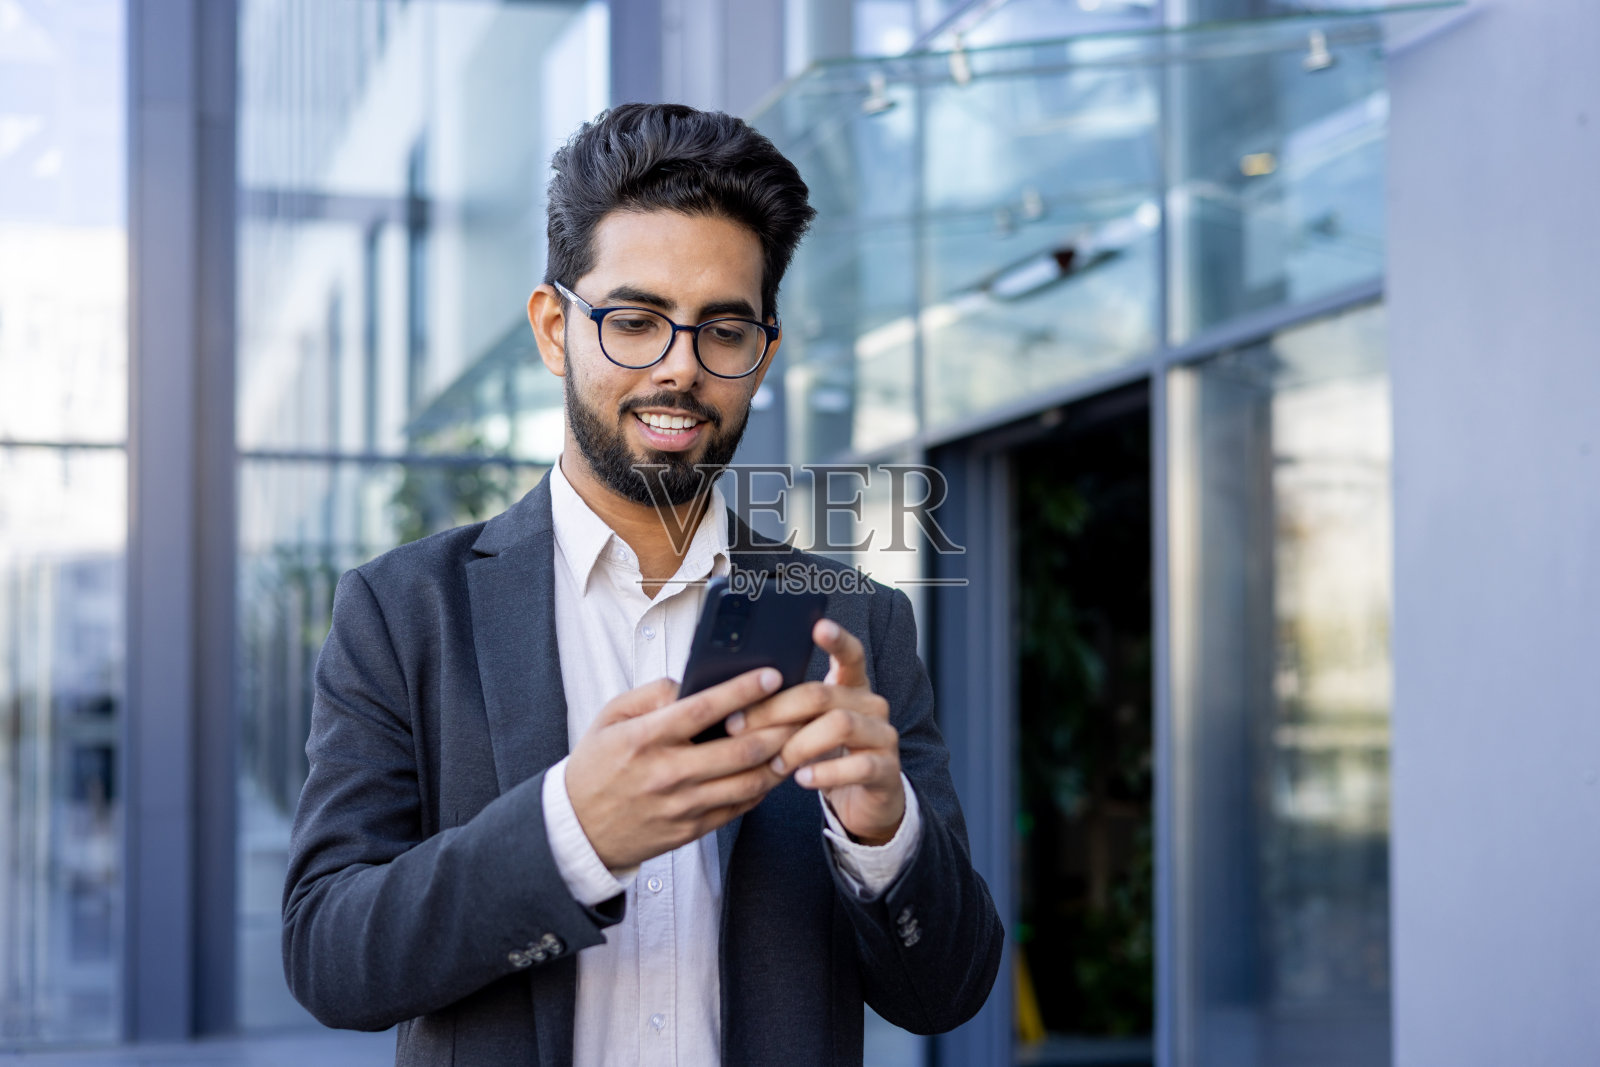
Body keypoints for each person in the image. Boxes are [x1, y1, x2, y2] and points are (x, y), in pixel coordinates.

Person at [282, 102, 1002, 1066]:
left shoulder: (850, 618)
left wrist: (885, 832)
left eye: (723, 330)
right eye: (635, 321)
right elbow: (330, 953)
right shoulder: (405, 610)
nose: (679, 369)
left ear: (764, 354)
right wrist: (573, 832)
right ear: (554, 327)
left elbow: (947, 989)